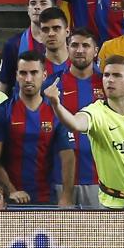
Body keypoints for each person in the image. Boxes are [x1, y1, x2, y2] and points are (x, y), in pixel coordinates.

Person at [44, 55, 124, 209]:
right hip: (111, 203)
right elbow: (74, 124)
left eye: (117, 75)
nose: (109, 80)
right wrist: (56, 104)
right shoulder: (96, 111)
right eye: (106, 75)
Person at [0, 51, 75, 206]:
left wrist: (67, 195)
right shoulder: (1, 113)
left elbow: (68, 157)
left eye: (34, 73)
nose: (28, 79)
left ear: (44, 75)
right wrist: (11, 190)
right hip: (11, 200)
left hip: (48, 198)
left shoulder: (56, 113)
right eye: (23, 73)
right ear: (16, 75)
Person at [43, 28, 104, 208]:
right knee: (63, 235)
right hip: (59, 178)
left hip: (98, 178)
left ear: (96, 51)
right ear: (67, 48)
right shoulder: (52, 85)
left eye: (86, 45)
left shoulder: (107, 84)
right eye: (75, 45)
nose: (79, 50)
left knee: (98, 235)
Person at [0, 0, 55, 94]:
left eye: (43, 3)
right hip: (22, 107)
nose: (37, 7)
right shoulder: (13, 44)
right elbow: (3, 86)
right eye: (33, 3)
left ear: (53, 9)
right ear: (28, 9)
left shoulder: (65, 44)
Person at [39, 7, 71, 77]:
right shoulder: (33, 68)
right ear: (40, 35)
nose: (51, 33)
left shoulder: (84, 65)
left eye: (56, 28)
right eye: (45, 29)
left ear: (67, 31)